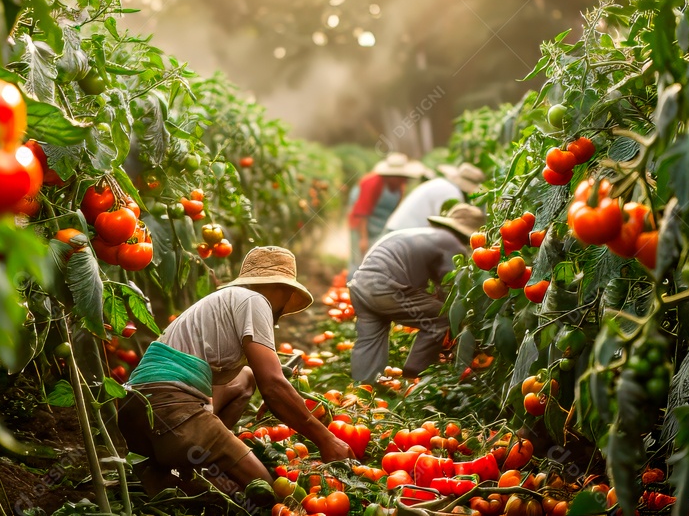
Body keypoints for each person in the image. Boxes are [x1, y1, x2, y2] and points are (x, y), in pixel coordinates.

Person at [117, 247, 354, 496]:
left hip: (135, 415)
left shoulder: (228, 302)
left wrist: (283, 398)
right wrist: (327, 439)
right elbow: (273, 386)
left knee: (246, 377)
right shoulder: (255, 301)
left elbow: (259, 380)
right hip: (171, 410)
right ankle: (204, 463)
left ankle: (185, 465)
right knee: (264, 492)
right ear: (283, 289)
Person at [348, 203, 485, 382]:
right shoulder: (451, 242)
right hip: (387, 289)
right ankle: (414, 376)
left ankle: (363, 387)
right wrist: (466, 321)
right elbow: (452, 288)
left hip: (360, 285)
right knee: (441, 318)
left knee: (369, 340)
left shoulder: (422, 234)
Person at [347, 152, 428, 275]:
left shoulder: (400, 187)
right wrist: (363, 239)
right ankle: (352, 283)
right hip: (362, 224)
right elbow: (362, 211)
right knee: (359, 260)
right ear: (390, 176)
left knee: (375, 258)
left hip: (381, 225)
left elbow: (396, 212)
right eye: (400, 177)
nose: (403, 181)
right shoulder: (372, 183)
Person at [382, 162, 486, 235]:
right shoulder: (451, 193)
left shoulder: (442, 184)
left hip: (397, 229)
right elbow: (450, 227)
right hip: (403, 233)